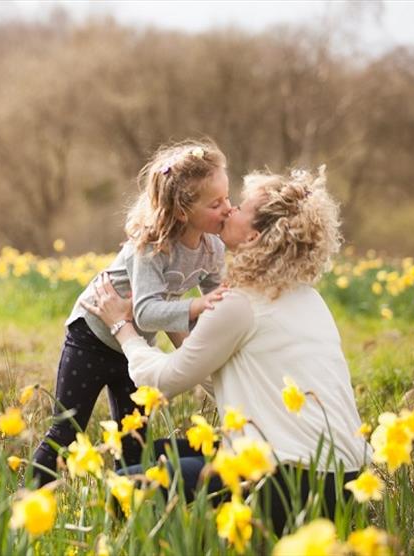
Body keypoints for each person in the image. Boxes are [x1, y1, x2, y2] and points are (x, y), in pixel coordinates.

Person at [82, 167, 369, 534]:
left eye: (241, 208)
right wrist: (174, 321)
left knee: (124, 488)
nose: (230, 210)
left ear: (254, 235)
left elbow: (163, 382)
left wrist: (121, 326)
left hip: (286, 483)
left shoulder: (240, 304)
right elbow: (223, 372)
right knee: (158, 451)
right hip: (345, 481)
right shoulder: (307, 299)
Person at [30, 140, 232, 486]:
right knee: (68, 427)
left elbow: (218, 303)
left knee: (134, 436)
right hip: (91, 337)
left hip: (133, 347)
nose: (228, 208)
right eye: (216, 203)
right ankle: (29, 497)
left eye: (227, 198)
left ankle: (127, 502)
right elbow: (147, 310)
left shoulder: (212, 248)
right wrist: (196, 306)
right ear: (183, 211)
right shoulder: (152, 246)